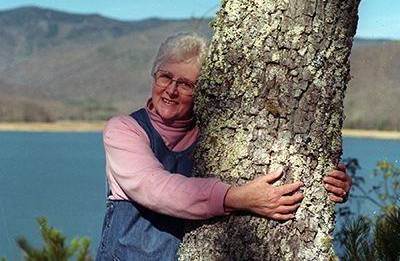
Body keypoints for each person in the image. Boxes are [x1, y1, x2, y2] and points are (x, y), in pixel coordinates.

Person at [95, 32, 352, 261]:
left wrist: (323, 182)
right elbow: (155, 187)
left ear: (203, 90)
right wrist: (237, 198)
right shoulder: (123, 129)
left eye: (186, 84)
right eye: (165, 77)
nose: (171, 90)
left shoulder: (214, 136)